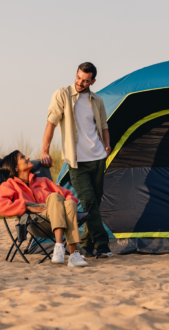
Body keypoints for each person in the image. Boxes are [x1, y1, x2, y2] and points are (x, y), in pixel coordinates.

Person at [40, 62, 112, 258]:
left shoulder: (97, 100)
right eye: (79, 78)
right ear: (76, 74)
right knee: (88, 201)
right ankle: (103, 244)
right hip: (76, 161)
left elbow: (104, 124)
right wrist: (44, 150)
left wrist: (107, 144)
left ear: (93, 81)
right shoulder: (62, 95)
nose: (81, 83)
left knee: (95, 203)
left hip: (98, 158)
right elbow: (51, 122)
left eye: (86, 80)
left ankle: (87, 244)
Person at [0, 150, 88, 267]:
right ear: (15, 167)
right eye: (23, 157)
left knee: (69, 203)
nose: (28, 158)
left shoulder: (43, 181)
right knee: (54, 196)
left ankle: (72, 254)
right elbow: (1, 206)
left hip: (58, 216)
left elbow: (68, 194)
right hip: (36, 222)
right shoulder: (9, 185)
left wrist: (69, 203)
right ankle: (62, 248)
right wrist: (27, 206)